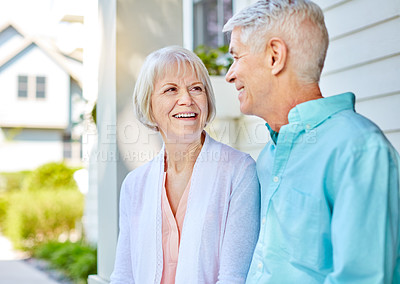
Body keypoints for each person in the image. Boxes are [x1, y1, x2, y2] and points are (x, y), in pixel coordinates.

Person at [223, 0, 400, 283]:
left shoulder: (359, 150)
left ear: (274, 56)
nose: (230, 75)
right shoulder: (269, 155)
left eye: (236, 57)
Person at [110, 46, 260, 284]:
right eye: (171, 89)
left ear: (208, 101)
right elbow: (123, 276)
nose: (186, 100)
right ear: (149, 106)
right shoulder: (134, 185)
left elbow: (234, 278)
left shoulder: (239, 171)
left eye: (196, 89)